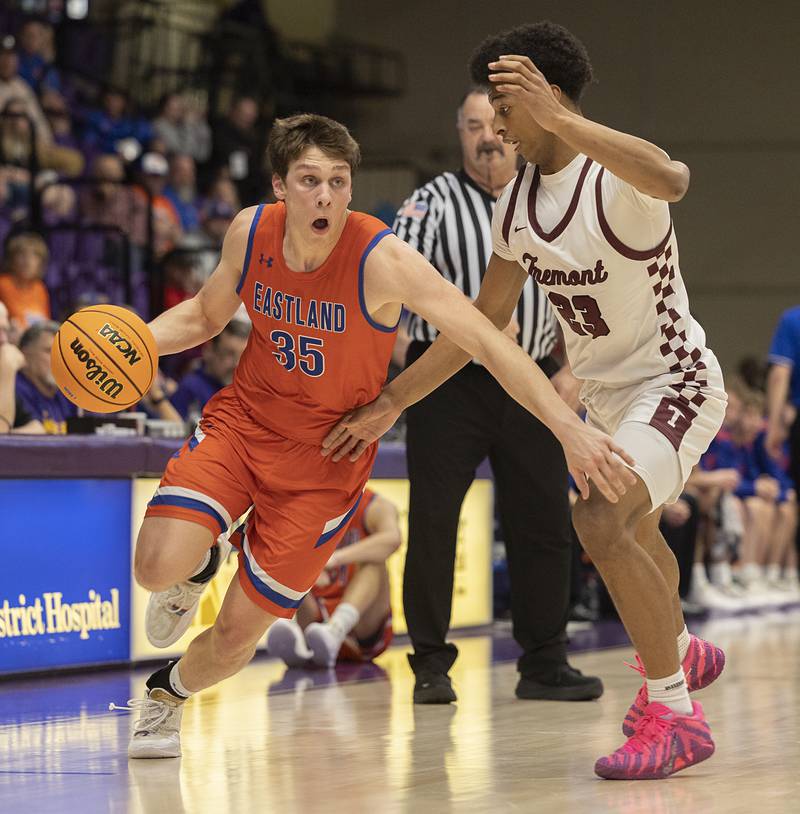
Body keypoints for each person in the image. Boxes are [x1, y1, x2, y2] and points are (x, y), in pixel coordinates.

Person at [117, 112, 632, 759]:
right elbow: (202, 315)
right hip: (245, 424)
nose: (325, 195)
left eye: (338, 181)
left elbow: (484, 339)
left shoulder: (382, 259)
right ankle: (197, 565)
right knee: (151, 566)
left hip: (325, 466)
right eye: (309, 180)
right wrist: (132, 342)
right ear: (279, 185)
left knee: (232, 642)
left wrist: (563, 426)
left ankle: (167, 693)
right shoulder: (250, 231)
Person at [322, 23, 728, 780]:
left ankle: (673, 710)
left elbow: (673, 178)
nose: (496, 125)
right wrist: (391, 402)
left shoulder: (614, 180)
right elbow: (478, 329)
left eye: (507, 107)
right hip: (605, 399)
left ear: (547, 98)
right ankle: (676, 644)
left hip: (673, 384)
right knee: (634, 535)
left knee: (599, 518)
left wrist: (566, 117)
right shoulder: (516, 209)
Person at [392, 88, 600, 704]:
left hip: (532, 377)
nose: (487, 136)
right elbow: (391, 282)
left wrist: (576, 372)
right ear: (458, 132)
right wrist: (472, 322)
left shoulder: (551, 201)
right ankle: (430, 663)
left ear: (514, 129)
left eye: (496, 124)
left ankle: (544, 660)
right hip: (445, 378)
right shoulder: (428, 203)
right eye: (474, 125)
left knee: (543, 522)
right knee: (434, 519)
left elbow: (589, 289)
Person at [266, 488, 400, 667]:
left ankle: (336, 629)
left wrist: (334, 559)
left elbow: (393, 539)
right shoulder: (306, 504)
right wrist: (309, 569)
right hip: (316, 621)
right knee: (292, 563)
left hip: (363, 624)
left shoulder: (374, 505)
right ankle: (296, 637)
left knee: (375, 561)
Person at [169, 319, 250, 421]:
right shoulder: (191, 387)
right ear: (209, 350)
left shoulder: (247, 393)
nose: (237, 363)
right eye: (229, 353)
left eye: (243, 356)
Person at [16, 320, 75, 433]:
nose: (58, 360)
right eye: (49, 351)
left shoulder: (66, 394)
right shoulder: (13, 391)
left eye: (62, 353)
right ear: (24, 354)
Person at [0, 299, 42, 433]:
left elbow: (38, 428)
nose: (3, 340)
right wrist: (7, 371)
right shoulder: (6, 371)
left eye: (5, 330)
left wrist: (10, 432)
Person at [0, 231, 51, 334]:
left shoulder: (39, 288)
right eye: (22, 255)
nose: (28, 262)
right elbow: (14, 319)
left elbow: (46, 323)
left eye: (34, 256)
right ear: (11, 259)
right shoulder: (3, 284)